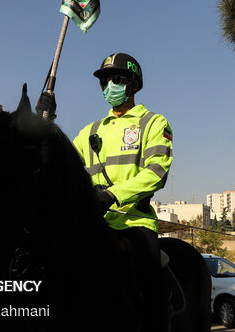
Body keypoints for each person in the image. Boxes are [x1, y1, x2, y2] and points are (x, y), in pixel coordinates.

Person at [68, 53, 173, 332]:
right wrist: (47, 121)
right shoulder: (87, 132)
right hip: (93, 224)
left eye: (117, 79)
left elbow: (156, 173)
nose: (109, 85)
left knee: (151, 285)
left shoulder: (153, 123)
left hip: (135, 223)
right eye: (104, 81)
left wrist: (113, 195)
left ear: (133, 85)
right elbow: (65, 169)